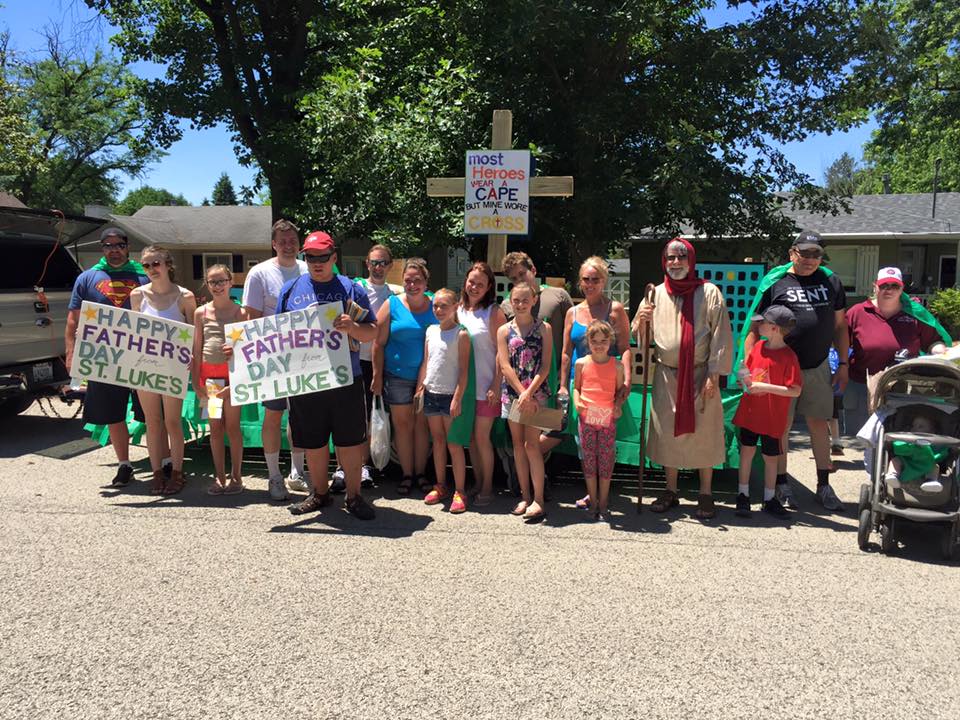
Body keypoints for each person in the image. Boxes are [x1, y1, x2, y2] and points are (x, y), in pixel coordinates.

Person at [742, 230, 849, 512]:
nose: (811, 259)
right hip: (778, 368)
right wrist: (747, 366)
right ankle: (782, 484)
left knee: (819, 424)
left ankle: (824, 485)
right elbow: (755, 327)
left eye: (817, 254)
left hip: (817, 365)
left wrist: (845, 365)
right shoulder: (776, 283)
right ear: (792, 253)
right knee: (780, 428)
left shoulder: (831, 281)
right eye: (805, 253)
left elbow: (840, 327)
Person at [632, 238, 733, 520]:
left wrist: (714, 375)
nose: (675, 263)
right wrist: (641, 319)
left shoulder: (709, 292)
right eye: (670, 258)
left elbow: (721, 336)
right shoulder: (655, 293)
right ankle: (671, 490)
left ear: (691, 260)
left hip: (701, 373)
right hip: (666, 374)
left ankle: (705, 493)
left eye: (681, 258)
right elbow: (640, 338)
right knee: (668, 435)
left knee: (705, 433)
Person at [282, 231, 377, 520]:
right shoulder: (290, 289)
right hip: (307, 380)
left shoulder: (352, 289)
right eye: (311, 257)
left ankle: (354, 496)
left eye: (323, 257)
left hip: (345, 377)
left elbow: (372, 332)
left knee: (349, 441)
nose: (317, 263)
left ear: (334, 257)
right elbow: (272, 335)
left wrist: (353, 329)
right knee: (313, 441)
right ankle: (320, 494)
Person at [64, 227, 149, 487]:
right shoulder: (87, 278)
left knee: (152, 413)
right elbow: (73, 320)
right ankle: (124, 465)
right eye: (108, 245)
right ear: (103, 248)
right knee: (113, 413)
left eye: (119, 245)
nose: (114, 250)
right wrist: (71, 353)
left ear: (127, 247)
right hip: (105, 358)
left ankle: (164, 462)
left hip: (143, 356)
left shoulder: (145, 275)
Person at [242, 218, 308, 501]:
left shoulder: (309, 270)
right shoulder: (259, 273)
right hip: (271, 360)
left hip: (306, 358)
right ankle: (273, 476)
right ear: (273, 244)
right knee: (273, 416)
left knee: (301, 418)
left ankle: (297, 472)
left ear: (299, 243)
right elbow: (250, 320)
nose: (288, 245)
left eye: (292, 240)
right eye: (282, 241)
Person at [326, 244, 402, 493]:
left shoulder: (395, 296)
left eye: (383, 263)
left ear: (390, 266)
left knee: (368, 417)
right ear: (366, 264)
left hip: (376, 363)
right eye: (374, 262)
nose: (378, 267)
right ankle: (340, 468)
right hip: (348, 359)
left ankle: (363, 466)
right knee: (343, 416)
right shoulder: (354, 288)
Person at [844, 266, 949, 435]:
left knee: (899, 434)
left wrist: (940, 351)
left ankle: (892, 461)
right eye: (884, 285)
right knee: (862, 436)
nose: (889, 290)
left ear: (902, 289)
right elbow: (840, 342)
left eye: (894, 286)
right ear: (875, 286)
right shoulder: (858, 312)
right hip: (862, 384)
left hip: (903, 386)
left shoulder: (915, 314)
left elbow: (933, 342)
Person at [564, 256, 631, 510]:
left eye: (595, 279)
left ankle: (602, 496)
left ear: (604, 281)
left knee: (605, 447)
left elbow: (624, 347)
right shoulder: (572, 312)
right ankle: (592, 494)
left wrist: (626, 379)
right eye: (586, 279)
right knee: (585, 444)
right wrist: (563, 385)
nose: (590, 284)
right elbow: (566, 352)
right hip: (580, 383)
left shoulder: (615, 310)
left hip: (607, 386)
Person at [129, 245, 197, 495]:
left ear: (168, 264)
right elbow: (128, 333)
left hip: (173, 368)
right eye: (146, 265)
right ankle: (157, 472)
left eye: (155, 263)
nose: (151, 269)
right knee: (152, 422)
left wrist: (194, 356)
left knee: (172, 422)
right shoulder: (137, 295)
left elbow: (193, 333)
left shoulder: (185, 296)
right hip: (144, 368)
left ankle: (177, 473)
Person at [372, 258, 437, 495]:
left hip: (427, 379)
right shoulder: (391, 304)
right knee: (403, 426)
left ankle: (421, 474)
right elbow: (378, 344)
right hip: (396, 376)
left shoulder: (435, 306)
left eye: (417, 280)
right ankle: (407, 474)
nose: (412, 285)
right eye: (408, 280)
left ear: (426, 281)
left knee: (422, 427)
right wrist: (377, 375)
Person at [733, 305, 802, 518]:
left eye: (762, 322)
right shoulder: (758, 348)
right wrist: (743, 379)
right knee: (746, 451)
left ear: (774, 328)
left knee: (771, 458)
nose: (758, 325)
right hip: (751, 412)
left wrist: (764, 388)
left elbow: (795, 390)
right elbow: (748, 373)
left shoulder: (789, 356)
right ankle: (742, 495)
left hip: (773, 417)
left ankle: (769, 498)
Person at [497, 281, 552, 521]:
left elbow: (546, 365)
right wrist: (521, 392)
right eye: (515, 300)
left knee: (532, 446)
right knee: (517, 446)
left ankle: (538, 499)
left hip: (536, 396)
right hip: (513, 396)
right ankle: (525, 495)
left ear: (534, 300)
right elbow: (504, 364)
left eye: (525, 300)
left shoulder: (545, 328)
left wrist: (529, 393)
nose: (520, 305)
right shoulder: (504, 331)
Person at [192, 264, 246, 495]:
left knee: (233, 427)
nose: (217, 286)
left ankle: (237, 477)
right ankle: (219, 477)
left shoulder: (241, 313)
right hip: (211, 381)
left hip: (233, 378)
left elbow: (246, 353)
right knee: (215, 428)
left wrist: (235, 383)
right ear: (207, 283)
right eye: (212, 282)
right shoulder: (200, 313)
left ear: (230, 282)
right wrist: (197, 383)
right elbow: (196, 349)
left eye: (221, 281)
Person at [416, 289, 471, 513]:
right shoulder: (430, 331)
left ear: (455, 306)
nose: (438, 310)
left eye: (444, 306)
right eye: (436, 306)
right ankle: (440, 485)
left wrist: (457, 397)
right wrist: (420, 387)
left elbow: (464, 371)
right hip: (431, 393)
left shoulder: (461, 334)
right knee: (437, 441)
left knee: (454, 444)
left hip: (450, 396)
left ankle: (460, 490)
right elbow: (427, 362)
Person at [459, 262, 506, 504]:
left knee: (481, 438)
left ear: (489, 287)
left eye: (480, 283)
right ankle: (477, 482)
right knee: (470, 440)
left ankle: (488, 487)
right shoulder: (457, 310)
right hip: (463, 389)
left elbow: (502, 352)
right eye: (471, 281)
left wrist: (496, 384)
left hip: (486, 386)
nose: (474, 287)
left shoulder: (493, 312)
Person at [573, 320, 625, 521]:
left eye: (603, 341)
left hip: (606, 418)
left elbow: (619, 392)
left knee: (604, 461)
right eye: (594, 341)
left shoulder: (617, 365)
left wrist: (618, 405)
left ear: (610, 341)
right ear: (588, 341)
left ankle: (603, 502)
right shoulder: (581, 363)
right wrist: (577, 403)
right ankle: (593, 501)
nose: (599, 345)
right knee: (589, 460)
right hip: (586, 417)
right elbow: (577, 387)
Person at [884, 412, 948, 494]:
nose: (915, 428)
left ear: (932, 431)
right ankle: (892, 476)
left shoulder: (934, 442)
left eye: (920, 426)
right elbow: (899, 447)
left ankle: (931, 481)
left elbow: (941, 453)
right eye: (913, 426)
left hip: (926, 464)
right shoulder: (908, 439)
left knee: (935, 467)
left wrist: (949, 448)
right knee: (895, 460)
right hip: (907, 463)